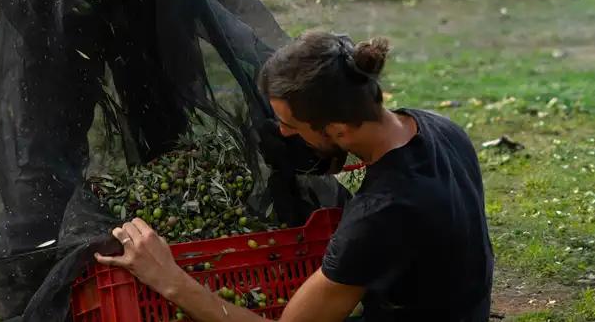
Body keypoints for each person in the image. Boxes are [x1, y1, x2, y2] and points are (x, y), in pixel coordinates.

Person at [96, 31, 495, 322]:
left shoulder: (380, 216)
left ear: (338, 130)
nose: (283, 133)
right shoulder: (439, 127)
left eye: (291, 125)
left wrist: (168, 278)